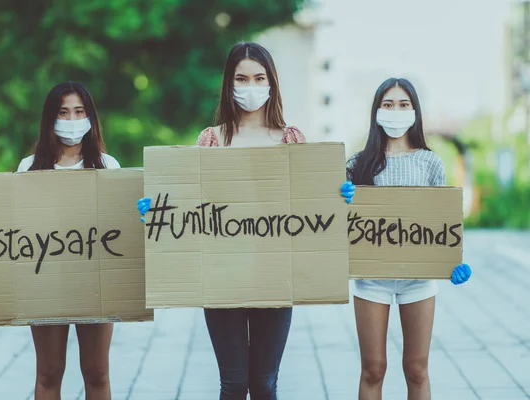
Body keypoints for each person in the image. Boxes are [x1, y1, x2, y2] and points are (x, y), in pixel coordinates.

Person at [137, 42, 352, 400]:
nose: (250, 86)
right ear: (229, 83)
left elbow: (310, 203)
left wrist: (337, 194)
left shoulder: (290, 140)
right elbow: (192, 206)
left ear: (271, 83)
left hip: (276, 275)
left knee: (265, 385)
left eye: (258, 77)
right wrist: (157, 208)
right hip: (222, 278)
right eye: (241, 78)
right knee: (234, 385)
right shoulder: (211, 140)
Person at [0, 81, 120, 400]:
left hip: (95, 282)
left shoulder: (108, 166)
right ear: (50, 119)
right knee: (47, 373)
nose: (72, 120)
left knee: (98, 372)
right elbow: (11, 230)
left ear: (91, 118)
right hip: (46, 283)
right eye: (63, 112)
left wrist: (139, 217)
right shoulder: (29, 169)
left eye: (79, 112)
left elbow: (120, 230)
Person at [343, 77, 472, 400]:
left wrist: (452, 261)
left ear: (415, 112)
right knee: (373, 369)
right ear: (376, 112)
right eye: (388, 104)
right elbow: (339, 224)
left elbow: (441, 222)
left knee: (417, 369)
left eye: (404, 104)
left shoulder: (430, 163)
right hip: (372, 281)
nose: (396, 111)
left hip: (418, 280)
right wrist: (340, 198)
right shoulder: (357, 165)